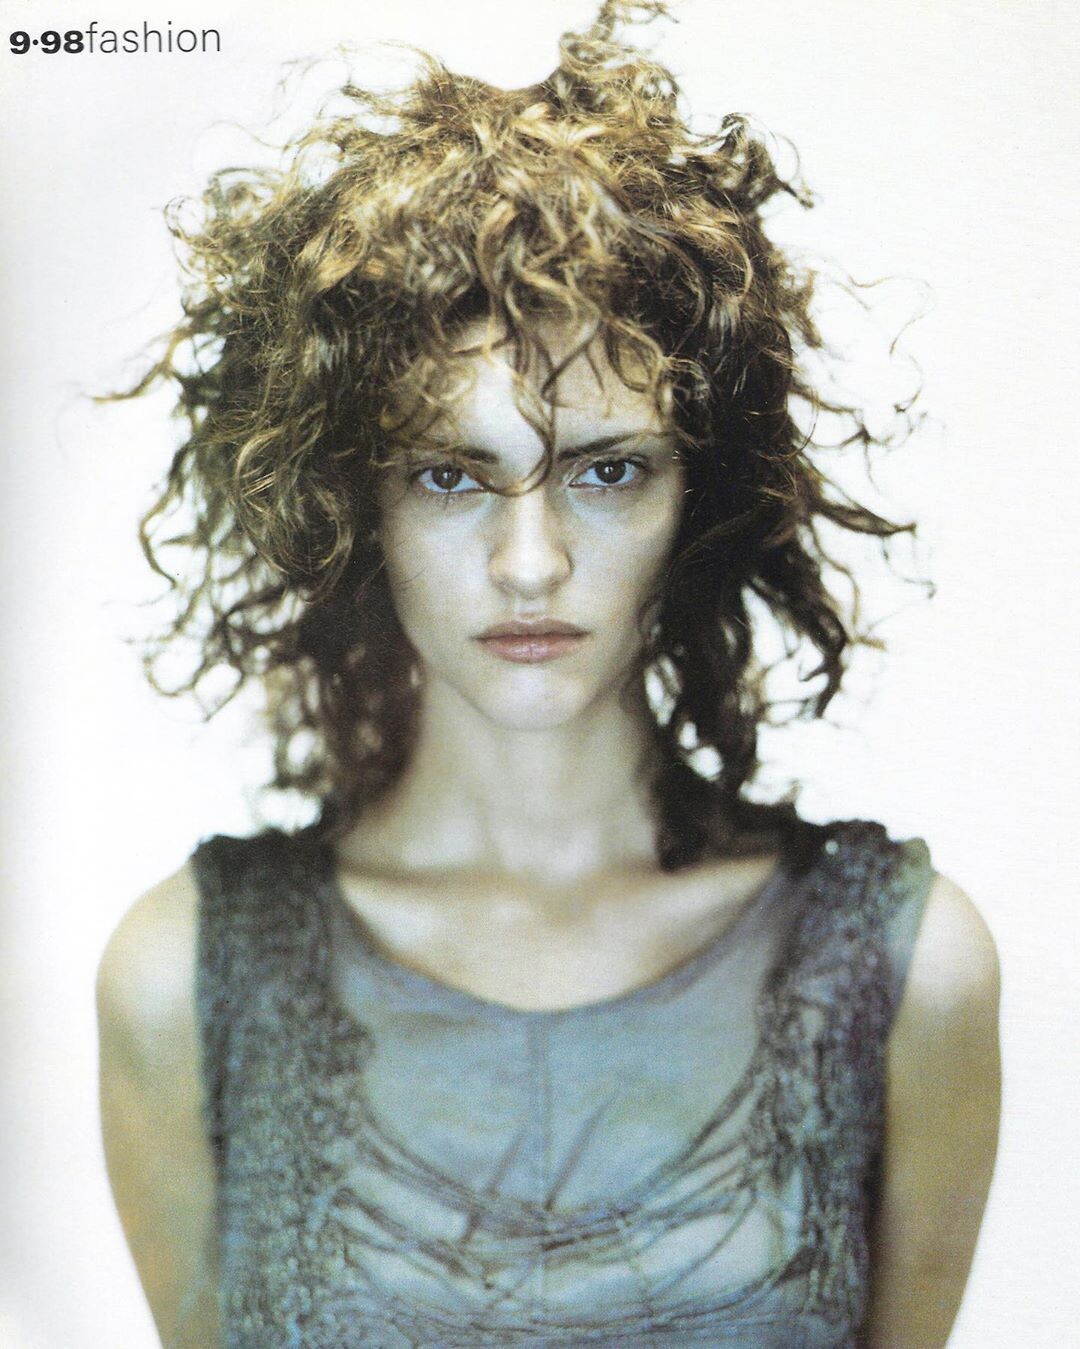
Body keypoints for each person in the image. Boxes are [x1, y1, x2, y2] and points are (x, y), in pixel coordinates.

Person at [95, 3, 1001, 1345]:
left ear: (701, 497)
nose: (533, 562)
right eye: (451, 476)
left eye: (608, 469)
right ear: (354, 508)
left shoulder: (908, 968)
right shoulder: (181, 979)